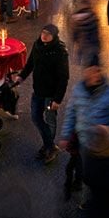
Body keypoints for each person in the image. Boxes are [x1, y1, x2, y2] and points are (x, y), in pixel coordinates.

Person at [60, 65, 109, 201]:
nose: (93, 75)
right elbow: (71, 113)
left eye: (96, 70)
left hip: (102, 145)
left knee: (97, 174)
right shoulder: (79, 90)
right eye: (89, 70)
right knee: (84, 170)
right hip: (83, 140)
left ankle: (95, 198)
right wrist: (66, 135)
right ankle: (86, 193)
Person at [15, 23, 70, 164]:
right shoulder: (37, 45)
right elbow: (30, 64)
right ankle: (50, 146)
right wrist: (21, 76)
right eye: (43, 32)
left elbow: (64, 77)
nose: (44, 36)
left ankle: (48, 147)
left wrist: (57, 99)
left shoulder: (60, 51)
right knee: (35, 117)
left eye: (48, 34)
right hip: (38, 90)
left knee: (50, 120)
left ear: (54, 36)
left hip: (51, 95)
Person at [70, 0, 101, 66]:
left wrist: (75, 43)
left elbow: (74, 34)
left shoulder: (75, 18)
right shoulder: (93, 16)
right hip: (93, 46)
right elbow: (96, 33)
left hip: (83, 46)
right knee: (93, 67)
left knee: (86, 67)